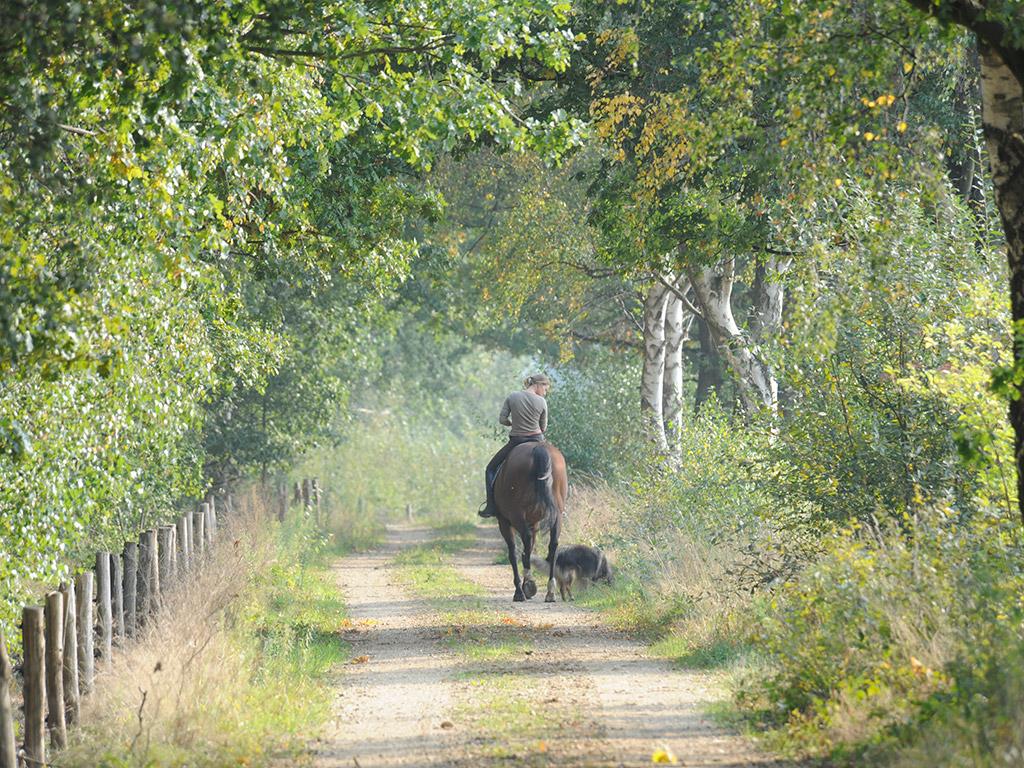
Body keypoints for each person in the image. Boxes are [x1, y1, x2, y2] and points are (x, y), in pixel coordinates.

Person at [478, 373, 551, 518]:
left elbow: (502, 419)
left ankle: (491, 505)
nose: (545, 391)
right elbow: (543, 428)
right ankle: (558, 504)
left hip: (517, 441)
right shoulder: (542, 402)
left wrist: (512, 423)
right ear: (538, 385)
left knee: (490, 469)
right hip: (537, 440)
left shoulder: (512, 397)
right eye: (545, 388)